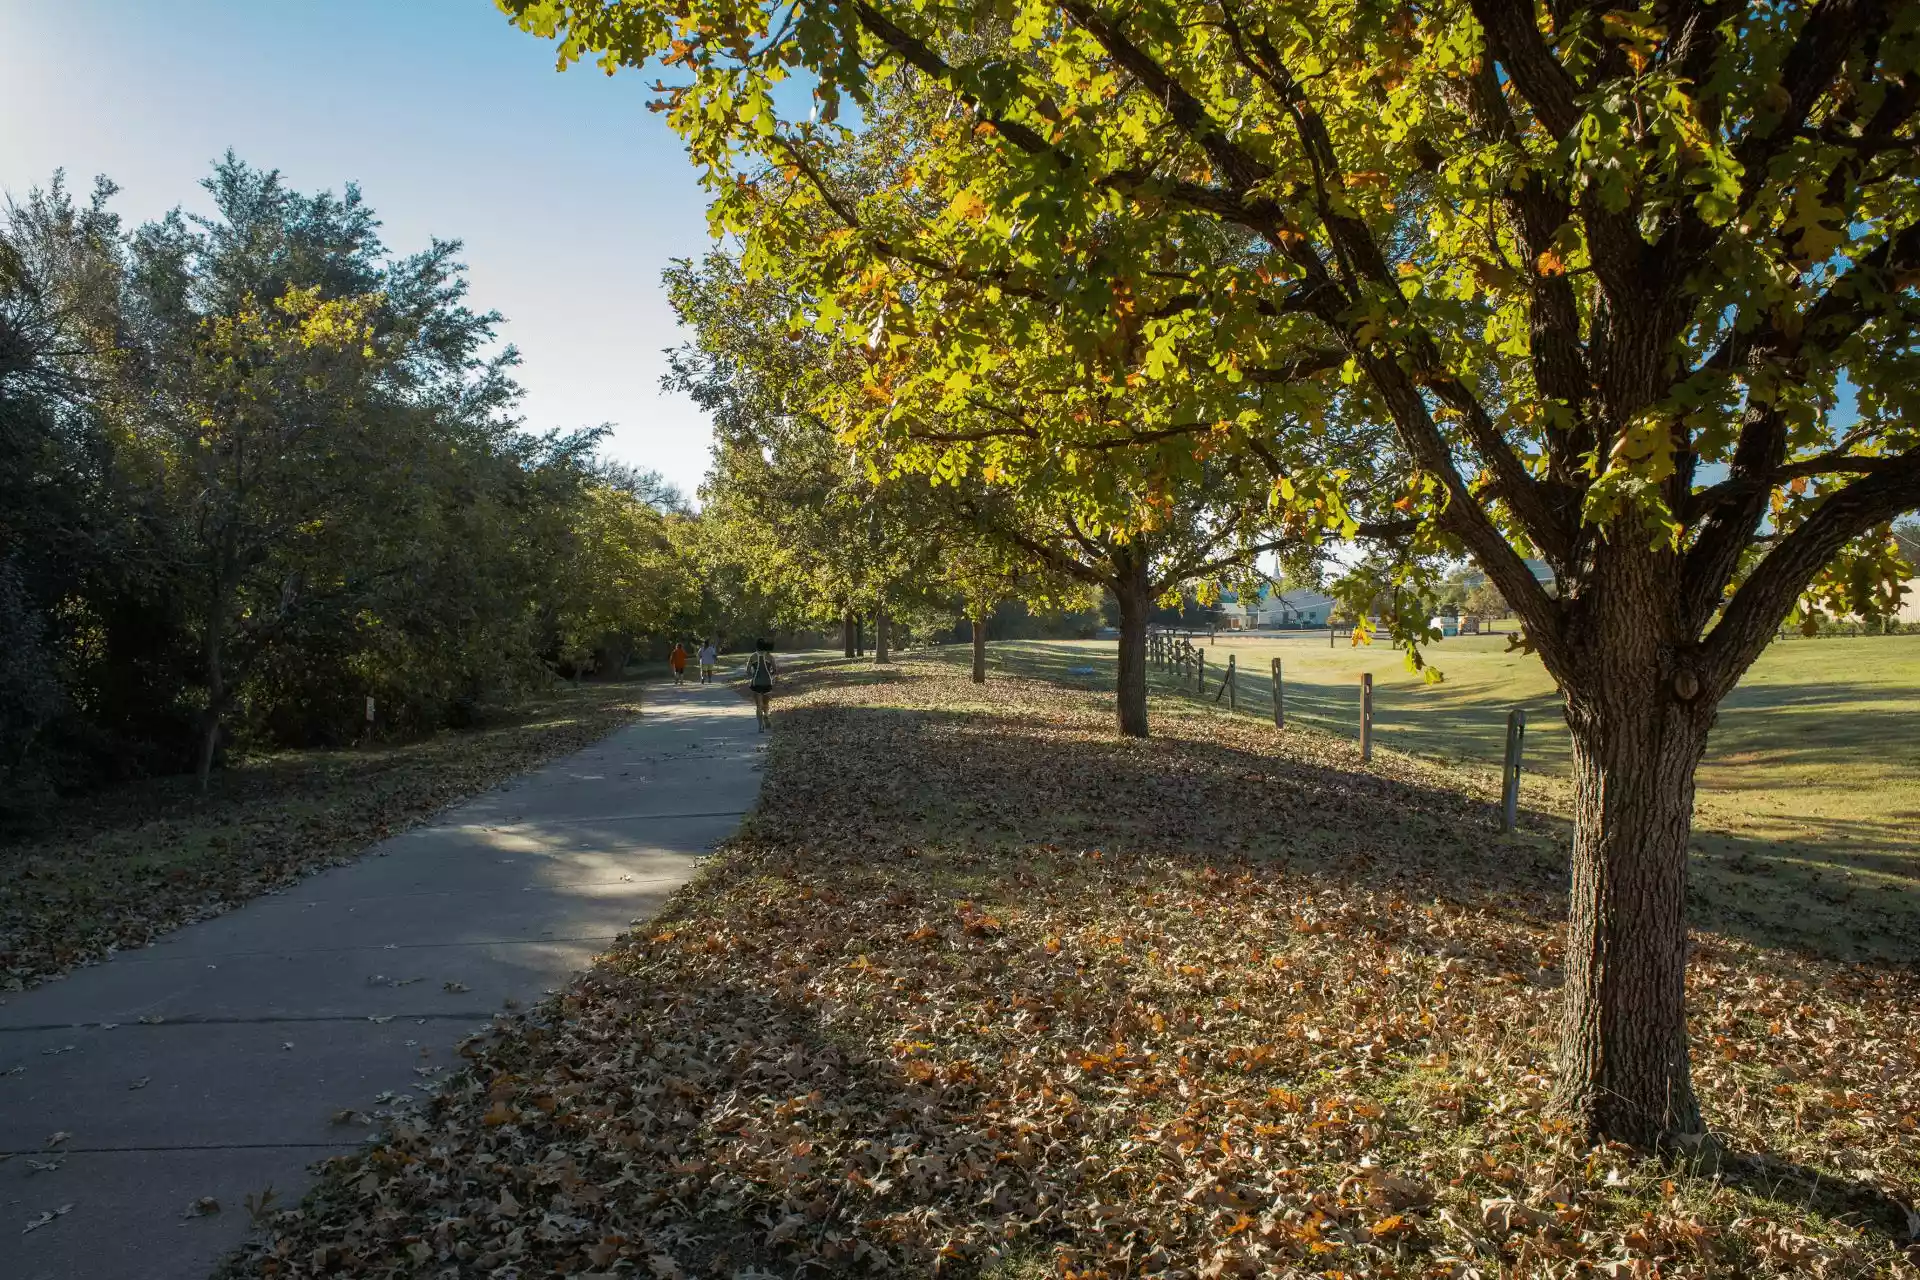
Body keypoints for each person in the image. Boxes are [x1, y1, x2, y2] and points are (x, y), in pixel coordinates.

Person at [745, 639, 776, 730]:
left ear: (757, 646)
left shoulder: (752, 656)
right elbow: (775, 670)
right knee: (766, 703)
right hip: (767, 682)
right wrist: (770, 674)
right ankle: (766, 715)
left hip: (756, 683)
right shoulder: (770, 656)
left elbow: (747, 671)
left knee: (758, 705)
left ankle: (760, 725)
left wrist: (753, 675)